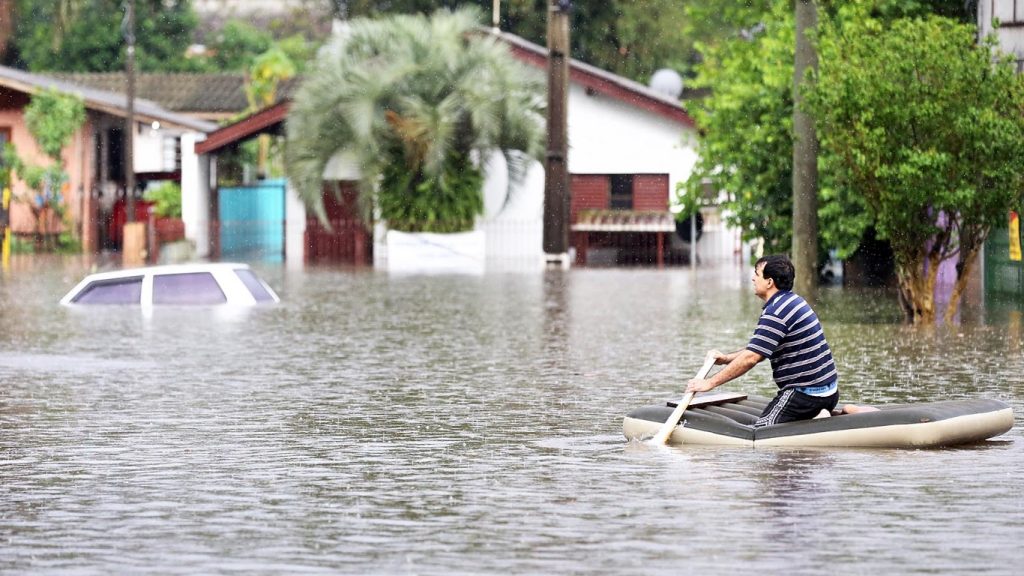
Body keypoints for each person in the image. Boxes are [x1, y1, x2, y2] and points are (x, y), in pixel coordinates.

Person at [686, 254, 851, 427]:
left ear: (769, 282)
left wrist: (709, 383)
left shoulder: (776, 312)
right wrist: (726, 358)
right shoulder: (793, 301)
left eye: (757, 274)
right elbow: (759, 349)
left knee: (760, 432)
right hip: (829, 393)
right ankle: (836, 414)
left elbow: (752, 358)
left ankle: (822, 415)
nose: (753, 278)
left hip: (805, 396)